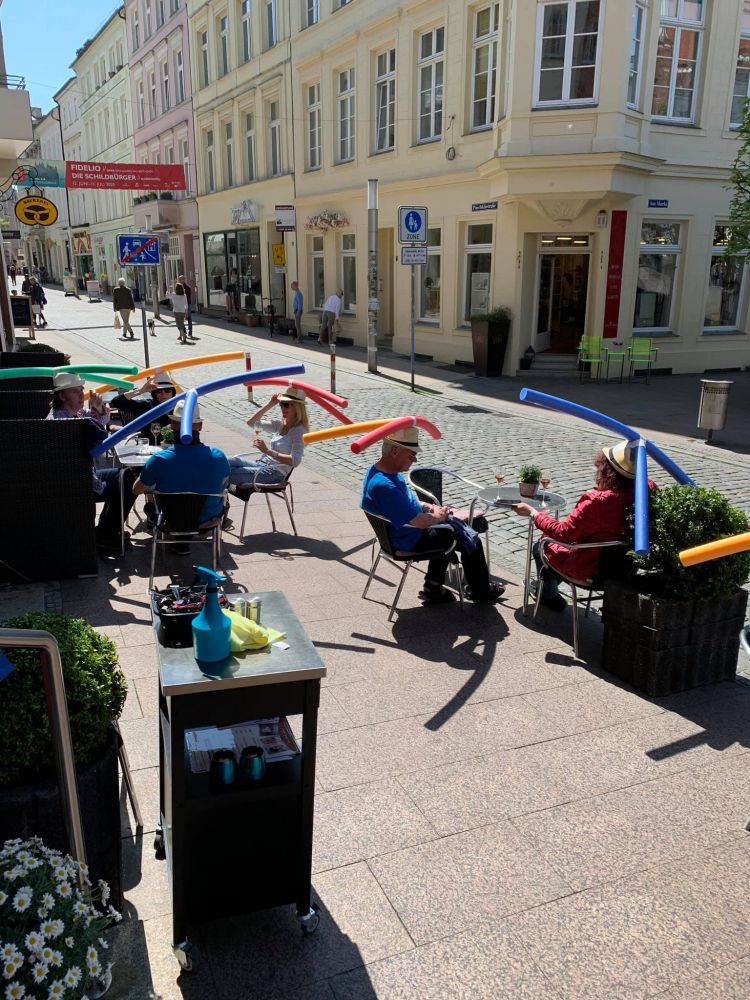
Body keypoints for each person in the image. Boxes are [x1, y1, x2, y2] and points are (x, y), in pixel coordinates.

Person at [361, 427, 505, 605]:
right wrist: (440, 516)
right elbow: (420, 522)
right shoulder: (385, 486)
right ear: (395, 451)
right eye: (411, 455)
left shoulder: (379, 472)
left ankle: (434, 585)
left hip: (398, 535)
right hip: (408, 540)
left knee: (453, 529)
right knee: (469, 537)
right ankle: (480, 591)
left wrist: (427, 506)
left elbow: (406, 502)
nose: (415, 460)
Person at [511, 441, 650, 611]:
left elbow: (563, 532)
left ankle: (549, 595)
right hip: (624, 568)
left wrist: (533, 513)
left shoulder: (598, 502)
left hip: (590, 568)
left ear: (606, 470)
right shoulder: (646, 490)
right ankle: (547, 588)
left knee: (541, 545)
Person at [46, 372, 136, 552]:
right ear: (62, 396)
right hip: (75, 485)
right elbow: (76, 467)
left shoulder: (73, 413)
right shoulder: (61, 424)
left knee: (127, 475)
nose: (81, 395)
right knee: (129, 486)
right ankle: (106, 535)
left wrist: (98, 408)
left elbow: (100, 421)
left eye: (81, 390)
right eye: (74, 392)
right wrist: (100, 487)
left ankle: (105, 530)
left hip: (85, 475)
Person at [133, 400, 230, 549]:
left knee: (151, 501)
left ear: (172, 425)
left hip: (170, 519)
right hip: (207, 520)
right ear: (200, 426)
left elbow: (136, 490)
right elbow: (225, 483)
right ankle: (183, 544)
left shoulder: (159, 460)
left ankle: (179, 541)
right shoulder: (219, 457)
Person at [228, 386, 307, 487]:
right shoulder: (280, 424)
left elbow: (295, 461)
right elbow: (252, 423)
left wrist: (267, 451)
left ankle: (216, 495)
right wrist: (270, 404)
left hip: (274, 473)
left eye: (286, 405)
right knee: (225, 461)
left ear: (297, 407)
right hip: (261, 464)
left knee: (224, 472)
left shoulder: (299, 431)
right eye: (281, 404)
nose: (283, 408)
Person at [110, 373, 176, 441]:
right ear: (154, 393)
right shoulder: (147, 406)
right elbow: (116, 402)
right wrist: (140, 391)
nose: (163, 394)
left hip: (175, 445)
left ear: (172, 392)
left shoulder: (178, 407)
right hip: (150, 446)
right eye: (159, 391)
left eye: (167, 391)